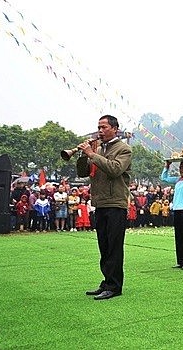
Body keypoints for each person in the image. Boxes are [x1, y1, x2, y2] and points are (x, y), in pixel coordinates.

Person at [78, 114, 132, 300]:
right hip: (100, 203)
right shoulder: (98, 148)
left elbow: (115, 169)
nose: (100, 131)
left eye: (104, 127)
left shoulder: (124, 149)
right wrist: (83, 155)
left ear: (115, 129)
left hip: (116, 203)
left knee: (114, 246)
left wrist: (92, 154)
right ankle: (107, 281)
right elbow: (82, 172)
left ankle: (115, 286)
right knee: (104, 245)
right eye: (98, 127)